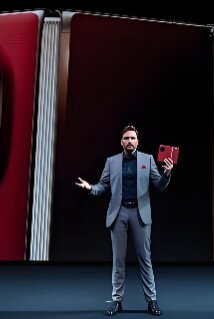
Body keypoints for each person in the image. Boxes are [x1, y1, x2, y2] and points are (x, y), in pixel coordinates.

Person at [76, 125, 174, 316]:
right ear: (121, 142)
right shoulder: (111, 161)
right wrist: (90, 188)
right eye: (126, 138)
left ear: (138, 141)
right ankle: (116, 301)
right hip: (119, 213)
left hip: (140, 213)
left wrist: (167, 174)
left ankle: (152, 300)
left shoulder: (148, 159)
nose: (129, 141)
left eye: (132, 138)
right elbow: (102, 186)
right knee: (118, 260)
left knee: (145, 259)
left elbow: (158, 186)